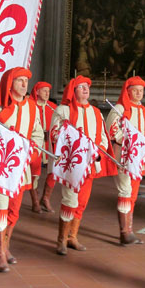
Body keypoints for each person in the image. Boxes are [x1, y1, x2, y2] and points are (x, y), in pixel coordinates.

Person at [0, 67, 44, 273]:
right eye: (19, 81)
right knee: (1, 207)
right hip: (2, 166)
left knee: (14, 209)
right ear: (9, 84)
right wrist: (1, 140)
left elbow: (38, 134)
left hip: (21, 167)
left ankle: (6, 246)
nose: (24, 85)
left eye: (26, 81)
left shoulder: (32, 107)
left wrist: (31, 155)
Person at [50, 75, 117, 255]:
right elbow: (55, 134)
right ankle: (61, 239)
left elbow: (103, 138)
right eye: (81, 87)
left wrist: (97, 152)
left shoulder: (95, 112)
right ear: (73, 91)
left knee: (82, 202)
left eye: (87, 86)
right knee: (70, 201)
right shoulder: (63, 110)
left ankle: (73, 237)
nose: (86, 89)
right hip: (72, 164)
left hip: (90, 165)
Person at [106, 76, 145, 245]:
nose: (139, 93)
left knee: (132, 194)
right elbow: (111, 129)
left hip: (138, 158)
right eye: (135, 90)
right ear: (128, 91)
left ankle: (130, 230)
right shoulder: (120, 108)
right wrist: (128, 141)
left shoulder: (143, 110)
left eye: (141, 91)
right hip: (124, 156)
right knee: (125, 191)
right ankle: (124, 232)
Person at [29, 81, 57, 213]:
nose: (47, 93)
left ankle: (45, 198)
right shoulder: (30, 106)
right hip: (36, 142)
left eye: (48, 91)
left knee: (54, 171)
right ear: (37, 91)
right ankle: (35, 201)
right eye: (44, 90)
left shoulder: (52, 107)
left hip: (50, 143)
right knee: (34, 172)